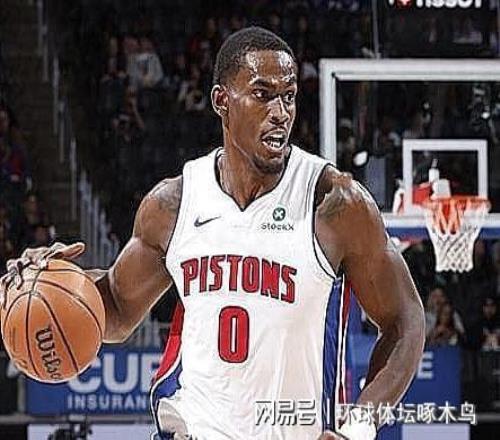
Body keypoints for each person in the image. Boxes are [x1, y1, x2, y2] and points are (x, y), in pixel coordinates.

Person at [0, 27, 425, 440]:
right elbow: (114, 309)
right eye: (262, 94)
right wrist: (51, 284)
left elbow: (405, 321)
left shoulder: (333, 203)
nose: (281, 112)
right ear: (222, 101)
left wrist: (358, 426)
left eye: (289, 95)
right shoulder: (173, 205)